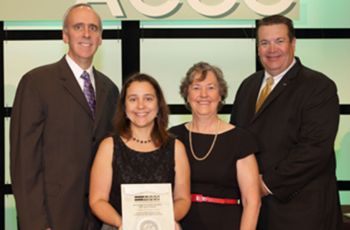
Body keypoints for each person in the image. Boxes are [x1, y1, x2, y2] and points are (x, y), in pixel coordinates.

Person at [10, 4, 119, 230]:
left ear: (100, 38)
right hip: (51, 218)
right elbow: (24, 162)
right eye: (78, 27)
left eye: (93, 28)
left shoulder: (110, 89)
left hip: (97, 219)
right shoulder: (37, 83)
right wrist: (36, 224)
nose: (86, 34)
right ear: (65, 35)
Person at [230, 15, 343, 230]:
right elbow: (237, 140)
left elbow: (314, 150)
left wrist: (264, 184)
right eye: (264, 42)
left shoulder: (319, 87)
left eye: (279, 41)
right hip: (257, 211)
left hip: (302, 214)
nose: (271, 49)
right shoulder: (248, 86)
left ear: (293, 43)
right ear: (257, 47)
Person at [89, 73, 191, 230]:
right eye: (133, 99)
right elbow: (97, 200)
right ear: (124, 107)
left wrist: (165, 220)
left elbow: (182, 198)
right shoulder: (108, 146)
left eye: (148, 98)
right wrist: (122, 224)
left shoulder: (176, 147)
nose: (141, 106)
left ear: (159, 106)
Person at [169, 62, 261, 230]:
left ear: (220, 95)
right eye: (196, 87)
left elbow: (252, 201)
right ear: (187, 95)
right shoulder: (172, 137)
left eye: (211, 87)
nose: (203, 94)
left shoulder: (240, 139)